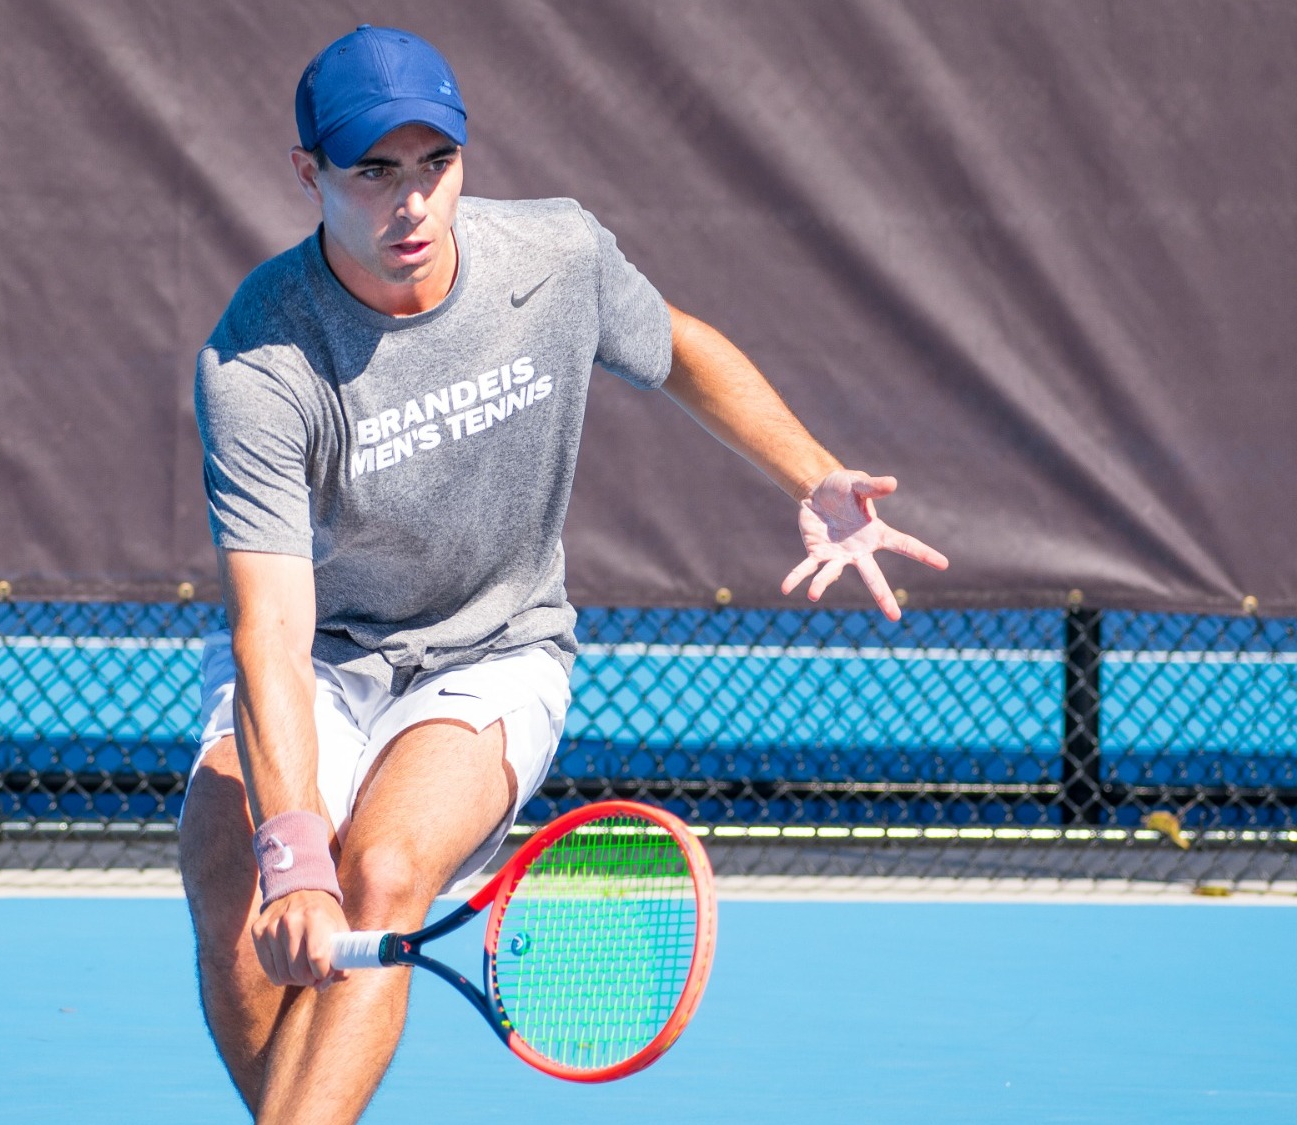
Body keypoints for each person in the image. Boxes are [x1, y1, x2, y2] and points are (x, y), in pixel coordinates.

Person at [181, 25, 947, 1124]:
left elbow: (679, 348)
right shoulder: (257, 361)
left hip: (493, 652)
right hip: (323, 652)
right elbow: (268, 631)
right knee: (226, 863)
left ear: (463, 159)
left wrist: (813, 472)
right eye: (372, 172)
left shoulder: (554, 258)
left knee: (384, 876)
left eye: (433, 166)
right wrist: (291, 850)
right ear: (307, 172)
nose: (411, 205)